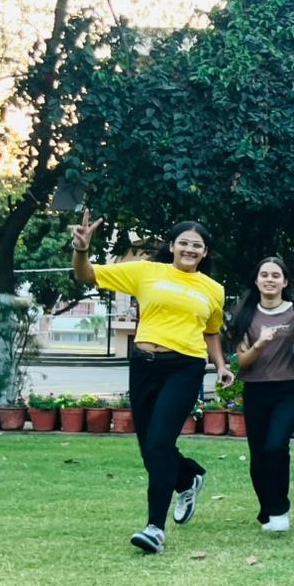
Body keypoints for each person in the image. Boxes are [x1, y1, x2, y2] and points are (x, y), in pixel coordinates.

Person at [70, 211, 232, 554]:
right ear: (172, 246)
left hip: (185, 368)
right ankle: (187, 478)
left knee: (159, 443)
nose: (189, 249)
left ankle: (155, 529)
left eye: (197, 246)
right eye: (183, 243)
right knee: (149, 447)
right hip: (144, 365)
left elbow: (211, 332)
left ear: (205, 252)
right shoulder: (146, 271)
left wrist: (221, 365)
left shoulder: (213, 290)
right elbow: (86, 275)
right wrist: (82, 250)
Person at [229, 257, 294, 533]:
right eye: (264, 275)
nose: (270, 280)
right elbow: (243, 361)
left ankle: (279, 509)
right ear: (256, 280)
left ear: (285, 282)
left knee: (276, 446)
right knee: (258, 454)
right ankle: (267, 508)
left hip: (289, 390)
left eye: (276, 275)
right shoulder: (245, 315)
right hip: (255, 390)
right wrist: (260, 344)